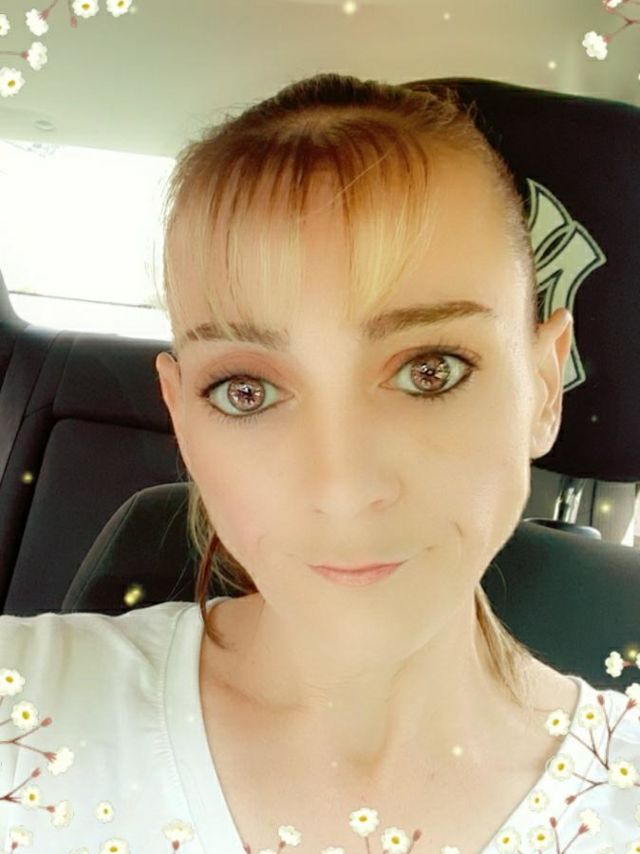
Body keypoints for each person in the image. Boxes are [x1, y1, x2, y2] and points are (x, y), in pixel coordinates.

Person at [1, 73, 638, 854]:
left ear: (542, 385)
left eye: (430, 370)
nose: (342, 490)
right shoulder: (22, 711)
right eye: (246, 391)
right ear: (182, 418)